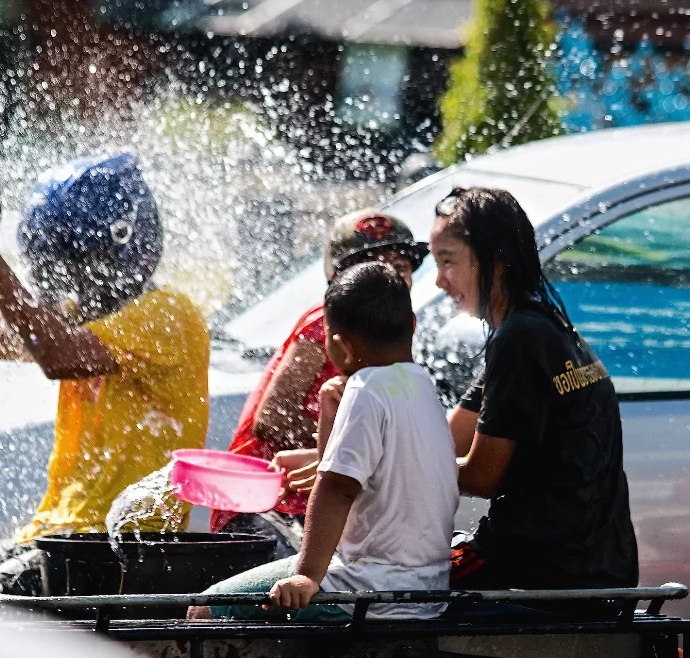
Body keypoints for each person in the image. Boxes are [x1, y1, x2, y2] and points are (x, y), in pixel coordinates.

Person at [0, 153, 210, 592]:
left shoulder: (168, 315)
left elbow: (56, 355)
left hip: (111, 549)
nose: (70, 280)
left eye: (79, 263)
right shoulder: (85, 316)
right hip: (52, 538)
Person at [190, 262, 459, 621]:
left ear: (340, 346)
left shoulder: (366, 389)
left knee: (206, 607)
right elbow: (348, 466)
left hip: (365, 589)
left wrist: (307, 577)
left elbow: (336, 487)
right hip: (427, 590)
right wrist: (331, 413)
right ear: (411, 325)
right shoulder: (420, 384)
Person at [429, 186, 638, 591]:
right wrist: (352, 450)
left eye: (448, 262)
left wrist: (383, 473)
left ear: (498, 261)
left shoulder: (519, 339)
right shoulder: (545, 327)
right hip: (599, 567)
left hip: (542, 571)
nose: (438, 281)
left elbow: (481, 476)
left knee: (386, 586)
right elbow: (446, 440)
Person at [212, 210, 428, 556]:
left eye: (400, 267)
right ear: (340, 278)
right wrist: (343, 451)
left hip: (320, 505)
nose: (390, 279)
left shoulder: (396, 329)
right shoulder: (325, 323)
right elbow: (272, 420)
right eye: (373, 268)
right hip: (271, 507)